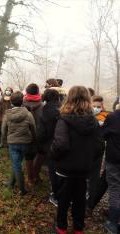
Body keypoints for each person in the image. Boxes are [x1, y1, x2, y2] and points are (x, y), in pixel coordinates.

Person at [50, 86, 102, 234]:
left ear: (69, 98)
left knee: (63, 200)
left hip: (65, 169)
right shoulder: (93, 121)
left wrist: (53, 156)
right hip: (83, 170)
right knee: (80, 200)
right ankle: (78, 228)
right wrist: (89, 161)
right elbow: (99, 146)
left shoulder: (63, 120)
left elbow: (60, 144)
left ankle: (61, 228)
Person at [2, 91, 36, 195]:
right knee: (17, 163)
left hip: (13, 143)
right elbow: (33, 127)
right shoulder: (28, 114)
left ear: (11, 102)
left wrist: (4, 140)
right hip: (25, 142)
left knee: (16, 164)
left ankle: (22, 189)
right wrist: (34, 138)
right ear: (22, 101)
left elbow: (3, 130)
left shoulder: (7, 115)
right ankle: (11, 183)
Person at [36, 88, 61, 206]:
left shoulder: (45, 110)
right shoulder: (64, 108)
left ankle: (56, 194)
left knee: (53, 170)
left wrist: (39, 143)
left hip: (50, 144)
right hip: (64, 143)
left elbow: (42, 132)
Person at [86, 95, 108, 213]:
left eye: (98, 107)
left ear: (102, 106)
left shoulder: (106, 117)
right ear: (90, 105)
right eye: (94, 106)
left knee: (94, 178)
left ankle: (89, 203)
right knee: (84, 176)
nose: (96, 108)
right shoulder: (85, 116)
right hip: (85, 151)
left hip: (98, 151)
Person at [102, 104, 120, 234]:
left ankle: (113, 223)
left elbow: (103, 134)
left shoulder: (113, 116)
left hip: (114, 159)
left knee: (115, 189)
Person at [23, 83, 43, 185]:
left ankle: (30, 178)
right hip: (39, 133)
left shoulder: (22, 104)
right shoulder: (42, 105)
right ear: (37, 92)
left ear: (27, 92)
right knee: (39, 154)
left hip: (26, 133)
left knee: (28, 156)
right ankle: (36, 175)